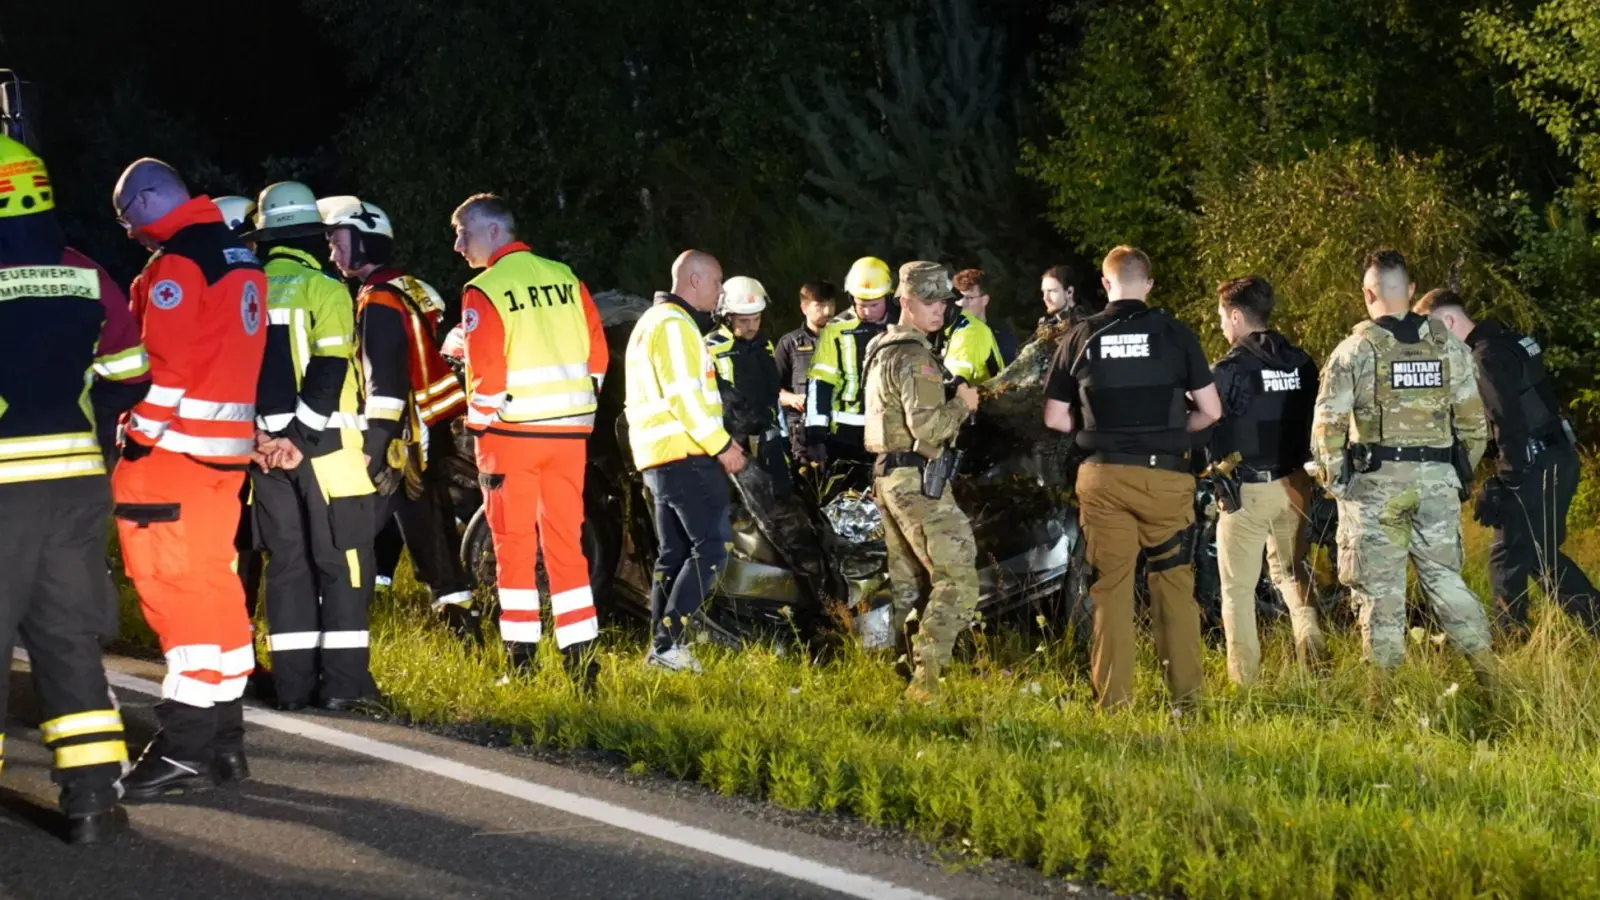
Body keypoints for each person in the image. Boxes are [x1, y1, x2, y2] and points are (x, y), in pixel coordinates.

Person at [110, 157, 267, 796]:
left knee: (177, 597)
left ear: (151, 200)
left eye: (127, 217)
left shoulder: (177, 265)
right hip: (221, 459)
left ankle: (182, 748)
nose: (126, 232)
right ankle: (223, 742)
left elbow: (165, 371)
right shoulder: (238, 256)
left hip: (172, 458)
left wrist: (136, 438)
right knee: (215, 588)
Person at [0, 135, 135, 842]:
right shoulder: (84, 272)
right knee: (68, 642)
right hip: (76, 484)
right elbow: (132, 367)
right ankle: (89, 799)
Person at [1310, 250, 1498, 698]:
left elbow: (1327, 431)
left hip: (1376, 486)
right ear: (1411, 292)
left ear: (1367, 293)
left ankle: (1383, 697)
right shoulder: (1448, 346)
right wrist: (1454, 473)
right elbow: (1475, 426)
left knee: (1380, 593)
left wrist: (1339, 486)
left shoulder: (1354, 350)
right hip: (1436, 483)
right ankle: (1492, 678)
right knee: (1446, 582)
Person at [1043, 246, 1221, 710]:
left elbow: (1054, 417)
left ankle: (1115, 703)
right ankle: (1187, 700)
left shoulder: (1079, 335)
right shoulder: (1176, 334)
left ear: (1106, 284)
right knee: (1175, 588)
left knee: (1110, 591)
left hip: (1103, 478)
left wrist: (1095, 432)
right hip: (1165, 480)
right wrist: (1171, 432)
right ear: (1149, 284)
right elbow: (1212, 411)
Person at [454, 193, 608, 684]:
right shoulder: (566, 277)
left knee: (514, 548)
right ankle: (581, 662)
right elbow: (598, 356)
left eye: (464, 232)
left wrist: (474, 422)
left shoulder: (485, 290)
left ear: (494, 232)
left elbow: (490, 378)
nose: (458, 245)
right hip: (569, 435)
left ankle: (521, 665)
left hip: (510, 438)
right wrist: (576, 407)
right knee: (568, 546)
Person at [246, 181, 379, 712]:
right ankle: (344, 689)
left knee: (287, 567)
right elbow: (328, 369)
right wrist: (297, 439)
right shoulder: (325, 289)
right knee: (343, 565)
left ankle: (293, 687)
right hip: (323, 451)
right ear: (310, 235)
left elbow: (232, 374)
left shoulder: (245, 288)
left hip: (262, 456)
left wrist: (258, 437)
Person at [321, 195, 479, 641]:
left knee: (345, 535)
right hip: (419, 437)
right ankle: (463, 630)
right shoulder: (402, 289)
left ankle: (335, 628)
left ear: (365, 241)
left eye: (338, 242)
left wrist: (372, 452)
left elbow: (385, 386)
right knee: (433, 540)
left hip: (397, 444)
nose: (333, 252)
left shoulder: (378, 301)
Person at [1415, 289, 1599, 636]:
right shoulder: (1513, 340)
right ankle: (1594, 621)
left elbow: (1508, 424)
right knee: (1538, 556)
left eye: (1434, 334)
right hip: (1557, 454)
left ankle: (1509, 638)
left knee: (1507, 554)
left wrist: (1505, 481)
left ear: (1449, 321)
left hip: (1535, 462)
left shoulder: (1484, 357)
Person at [862, 262, 981, 702]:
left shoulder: (881, 348)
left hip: (888, 477)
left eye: (944, 302)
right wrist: (963, 404)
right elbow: (929, 428)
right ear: (905, 302)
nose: (939, 311)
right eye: (929, 302)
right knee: (959, 578)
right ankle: (926, 686)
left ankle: (901, 674)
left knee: (909, 583)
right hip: (915, 478)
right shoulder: (915, 356)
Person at [624, 249, 746, 673]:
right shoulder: (675, 327)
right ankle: (669, 642)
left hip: (657, 458)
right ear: (694, 280)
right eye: (717, 282)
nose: (720, 292)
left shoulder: (649, 323)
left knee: (673, 554)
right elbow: (685, 397)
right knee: (713, 548)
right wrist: (722, 445)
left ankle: (661, 649)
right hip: (687, 453)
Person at [1208, 276, 1327, 683]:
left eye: (1222, 317)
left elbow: (1206, 426)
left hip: (1247, 492)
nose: (1222, 326)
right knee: (1293, 574)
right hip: (1296, 485)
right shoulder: (1302, 362)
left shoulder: (1228, 370)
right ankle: (1314, 660)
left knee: (1238, 592)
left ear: (1237, 315)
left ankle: (1246, 683)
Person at [806, 257, 893, 482]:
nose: (866, 311)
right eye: (860, 304)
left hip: (891, 428)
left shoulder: (901, 325)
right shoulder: (836, 327)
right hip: (847, 429)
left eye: (874, 305)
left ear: (888, 296)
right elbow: (821, 380)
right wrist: (816, 433)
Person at [706, 275, 790, 492]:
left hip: (768, 443)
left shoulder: (765, 345)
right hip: (732, 448)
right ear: (726, 318)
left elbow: (773, 398)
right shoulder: (709, 349)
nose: (752, 327)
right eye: (744, 321)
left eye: (757, 319)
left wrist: (784, 439)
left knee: (782, 503)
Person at [774, 281, 836, 464]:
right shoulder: (790, 344)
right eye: (820, 305)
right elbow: (772, 390)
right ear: (804, 308)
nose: (828, 311)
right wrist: (792, 399)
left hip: (838, 431)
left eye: (831, 304)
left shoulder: (843, 340)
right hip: (802, 435)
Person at [943, 268, 1007, 385]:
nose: (962, 303)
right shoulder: (962, 331)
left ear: (985, 300)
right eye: (959, 297)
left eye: (969, 298)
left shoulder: (1001, 339)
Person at [1039, 264, 1079, 329]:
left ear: (1069, 292)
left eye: (1052, 291)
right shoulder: (1050, 325)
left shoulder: (1083, 326)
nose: (1045, 298)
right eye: (1044, 292)